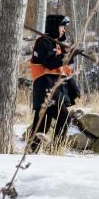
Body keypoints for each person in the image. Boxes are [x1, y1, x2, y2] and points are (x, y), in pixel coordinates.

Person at [27, 13, 79, 152]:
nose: (63, 29)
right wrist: (69, 55)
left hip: (54, 88)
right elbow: (50, 63)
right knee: (64, 117)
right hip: (46, 89)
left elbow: (61, 69)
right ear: (54, 26)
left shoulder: (56, 44)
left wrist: (72, 87)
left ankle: (32, 151)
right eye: (62, 26)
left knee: (42, 124)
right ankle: (55, 150)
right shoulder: (44, 42)